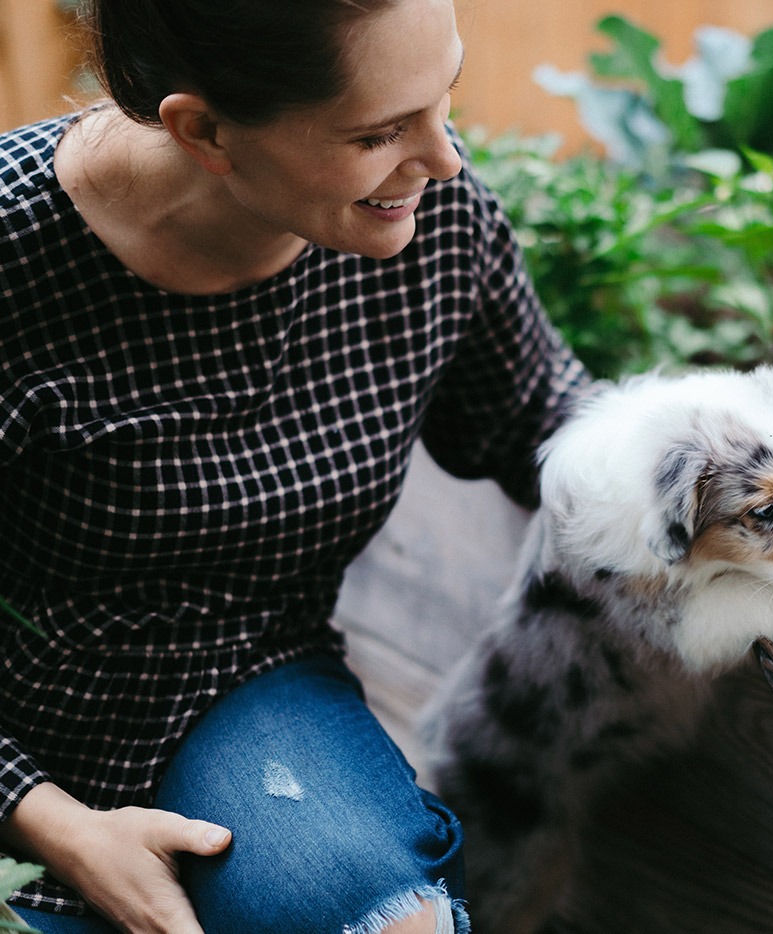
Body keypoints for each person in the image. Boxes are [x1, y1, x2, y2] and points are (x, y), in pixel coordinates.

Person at [0, 0, 589, 931]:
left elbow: (543, 420)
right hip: (21, 719)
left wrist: (745, 478)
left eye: (448, 99)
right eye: (380, 133)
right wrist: (58, 826)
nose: (446, 159)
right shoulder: (16, 261)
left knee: (388, 916)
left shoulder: (430, 224)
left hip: (244, 683)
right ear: (205, 131)